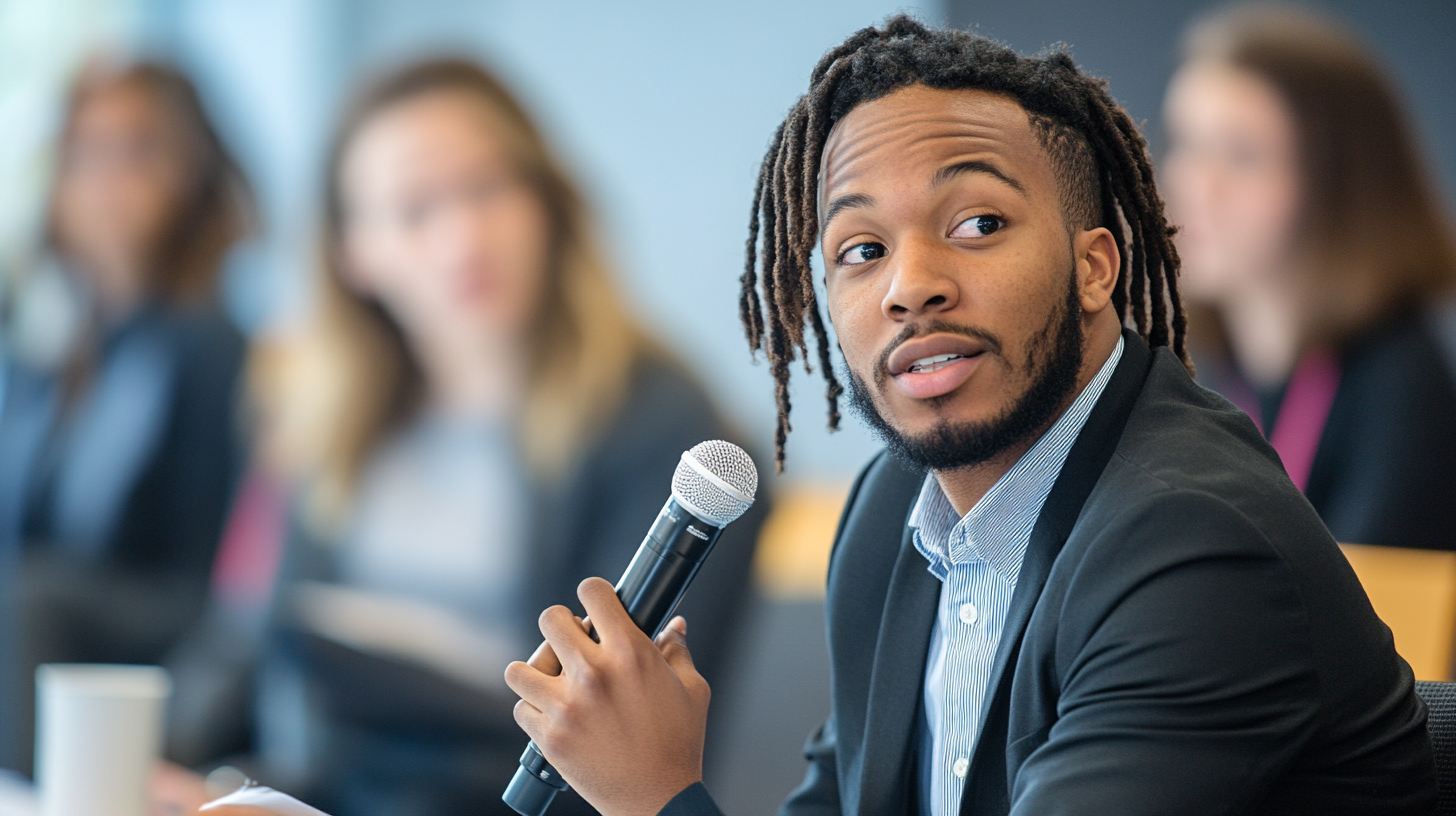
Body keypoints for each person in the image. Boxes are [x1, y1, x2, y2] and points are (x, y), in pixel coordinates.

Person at [502, 16, 1436, 816]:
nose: (911, 287)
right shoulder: (892, 515)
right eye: (861, 248)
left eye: (977, 225)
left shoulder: (1195, 549)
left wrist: (659, 795)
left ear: (1096, 269)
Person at [255, 59, 762, 816]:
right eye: (414, 209)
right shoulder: (328, 416)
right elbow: (256, 642)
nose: (463, 238)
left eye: (486, 188)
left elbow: (625, 740)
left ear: (547, 204)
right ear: (353, 252)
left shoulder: (666, 431)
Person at [0, 59, 252, 771]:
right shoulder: (55, 349)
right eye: (86, 152)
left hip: (156, 633)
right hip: (42, 629)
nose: (107, 180)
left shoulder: (212, 348)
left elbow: (215, 585)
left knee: (28, 597)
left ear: (193, 172)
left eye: (137, 150)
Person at [1161, 6, 1456, 549]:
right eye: (1187, 143)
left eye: (1242, 156)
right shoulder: (1225, 378)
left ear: (1338, 186)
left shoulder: (1403, 396)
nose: (1195, 185)